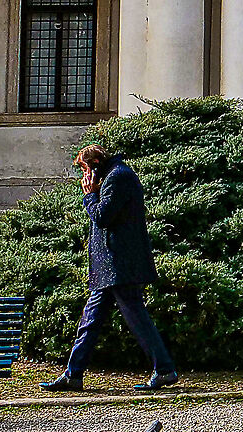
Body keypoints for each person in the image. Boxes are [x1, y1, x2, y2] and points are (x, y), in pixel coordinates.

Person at [41, 144, 178, 393]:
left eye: (84, 169)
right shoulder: (114, 174)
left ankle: (165, 370)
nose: (84, 176)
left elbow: (102, 216)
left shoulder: (119, 176)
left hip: (119, 265)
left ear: (94, 164)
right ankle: (74, 374)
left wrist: (90, 195)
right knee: (90, 321)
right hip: (109, 266)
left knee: (137, 319)